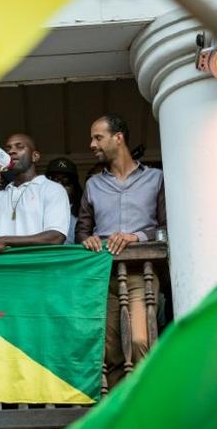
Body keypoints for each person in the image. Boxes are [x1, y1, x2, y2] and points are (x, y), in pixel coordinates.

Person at [75, 113, 166, 387]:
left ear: (119, 138)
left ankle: (147, 402)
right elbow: (81, 231)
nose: (92, 144)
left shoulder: (156, 179)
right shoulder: (92, 185)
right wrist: (88, 239)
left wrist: (135, 237)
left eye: (98, 137)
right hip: (103, 279)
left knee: (140, 339)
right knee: (109, 351)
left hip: (140, 277)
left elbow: (168, 228)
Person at [0, 133, 69, 260]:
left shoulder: (52, 189)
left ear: (35, 156)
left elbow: (56, 237)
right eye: (8, 149)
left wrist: (3, 241)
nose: (12, 151)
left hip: (34, 272)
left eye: (19, 147)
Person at [45, 157, 83, 244]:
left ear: (74, 184)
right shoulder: (37, 207)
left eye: (66, 180)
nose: (59, 185)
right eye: (54, 180)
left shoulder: (83, 210)